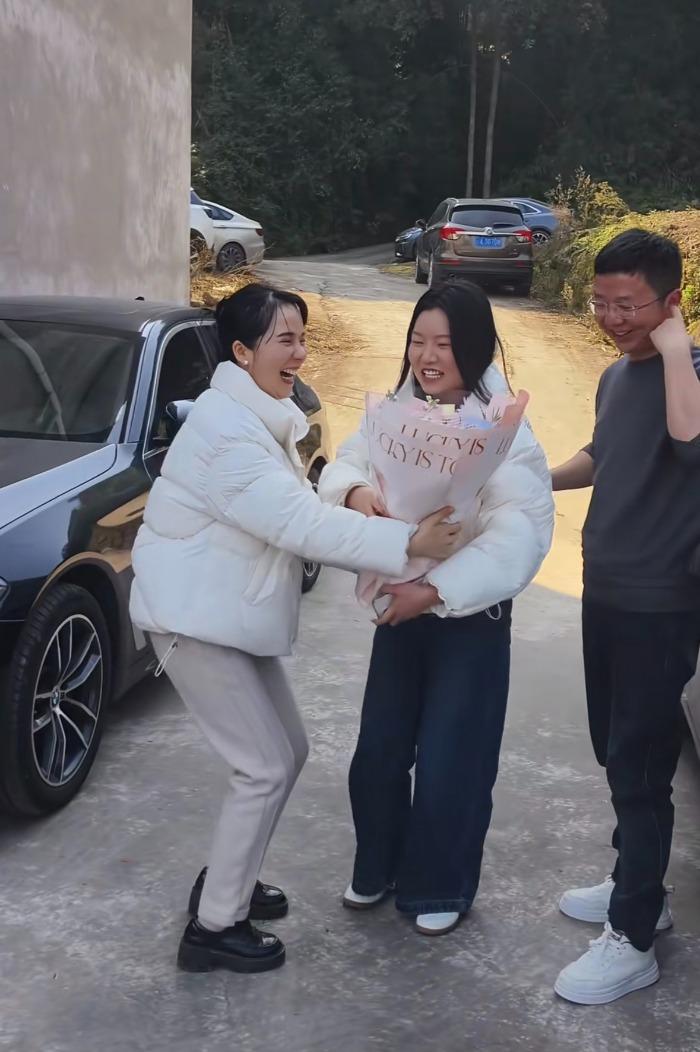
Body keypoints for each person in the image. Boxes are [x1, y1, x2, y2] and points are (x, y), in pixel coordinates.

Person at [129, 283, 461, 974]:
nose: (301, 353)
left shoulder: (251, 415)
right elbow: (298, 523)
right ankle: (214, 927)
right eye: (286, 340)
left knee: (288, 750)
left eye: (303, 339)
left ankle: (232, 877)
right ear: (242, 351)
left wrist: (367, 507)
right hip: (193, 619)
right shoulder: (227, 434)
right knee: (264, 765)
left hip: (225, 615)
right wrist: (408, 542)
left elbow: (296, 506)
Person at [318, 282, 554, 937]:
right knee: (380, 750)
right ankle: (379, 864)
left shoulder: (504, 426)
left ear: (473, 349)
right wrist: (356, 492)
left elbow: (522, 530)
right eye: (418, 341)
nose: (427, 356)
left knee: (455, 757)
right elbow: (346, 463)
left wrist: (437, 590)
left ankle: (440, 884)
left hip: (467, 617)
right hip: (399, 610)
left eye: (444, 344)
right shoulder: (399, 409)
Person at [550, 229, 700, 1005]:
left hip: (660, 603)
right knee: (617, 753)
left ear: (672, 302)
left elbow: (691, 444)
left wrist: (676, 350)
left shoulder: (691, 374)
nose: (611, 318)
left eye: (629, 305)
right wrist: (534, 475)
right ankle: (639, 885)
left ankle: (634, 938)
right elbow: (603, 454)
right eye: (601, 302)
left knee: (641, 768)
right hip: (604, 589)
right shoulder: (616, 375)